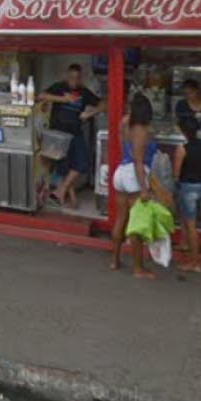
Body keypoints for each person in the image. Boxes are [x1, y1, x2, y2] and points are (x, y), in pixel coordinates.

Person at [109, 109, 172, 279]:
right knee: (138, 223)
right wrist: (144, 189)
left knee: (121, 219)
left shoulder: (124, 124)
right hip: (134, 175)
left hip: (120, 171)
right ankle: (138, 268)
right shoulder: (143, 130)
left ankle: (114, 260)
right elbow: (138, 161)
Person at [42, 63, 102, 213]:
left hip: (75, 133)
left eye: (77, 77)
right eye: (71, 77)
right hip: (58, 135)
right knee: (64, 167)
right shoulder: (59, 87)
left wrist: (90, 113)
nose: (74, 80)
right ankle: (66, 196)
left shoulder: (84, 92)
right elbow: (41, 96)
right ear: (67, 76)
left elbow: (104, 103)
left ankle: (60, 191)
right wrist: (64, 99)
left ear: (80, 78)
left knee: (82, 163)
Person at [172, 118, 201, 274]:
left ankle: (195, 262)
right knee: (187, 219)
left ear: (183, 131)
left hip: (187, 188)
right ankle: (184, 244)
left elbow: (176, 174)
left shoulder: (182, 149)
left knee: (191, 226)